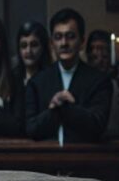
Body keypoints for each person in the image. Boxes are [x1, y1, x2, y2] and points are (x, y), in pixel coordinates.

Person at [25, 8, 112, 144]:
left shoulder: (99, 81)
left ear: (82, 42)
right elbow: (30, 129)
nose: (64, 43)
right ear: (51, 43)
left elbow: (98, 126)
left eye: (70, 36)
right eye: (58, 37)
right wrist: (53, 109)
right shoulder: (37, 82)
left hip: (86, 160)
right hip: (45, 159)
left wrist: (67, 109)